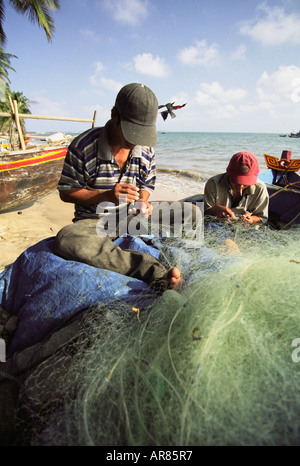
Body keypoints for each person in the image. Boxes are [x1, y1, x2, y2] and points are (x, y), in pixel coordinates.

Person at [54, 83, 197, 291]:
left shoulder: (146, 149)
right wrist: (106, 195)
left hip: (131, 217)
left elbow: (148, 183)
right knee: (67, 239)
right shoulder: (83, 146)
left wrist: (143, 202)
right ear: (114, 116)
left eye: (142, 133)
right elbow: (66, 193)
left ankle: (189, 266)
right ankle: (154, 273)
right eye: (132, 132)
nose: (136, 140)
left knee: (191, 212)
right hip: (95, 222)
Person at [204, 151, 269, 225]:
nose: (241, 186)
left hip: (246, 229)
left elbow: (262, 218)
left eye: (245, 183)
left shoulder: (260, 188)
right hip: (217, 225)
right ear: (229, 173)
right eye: (236, 181)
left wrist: (251, 219)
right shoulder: (214, 183)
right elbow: (204, 212)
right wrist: (215, 210)